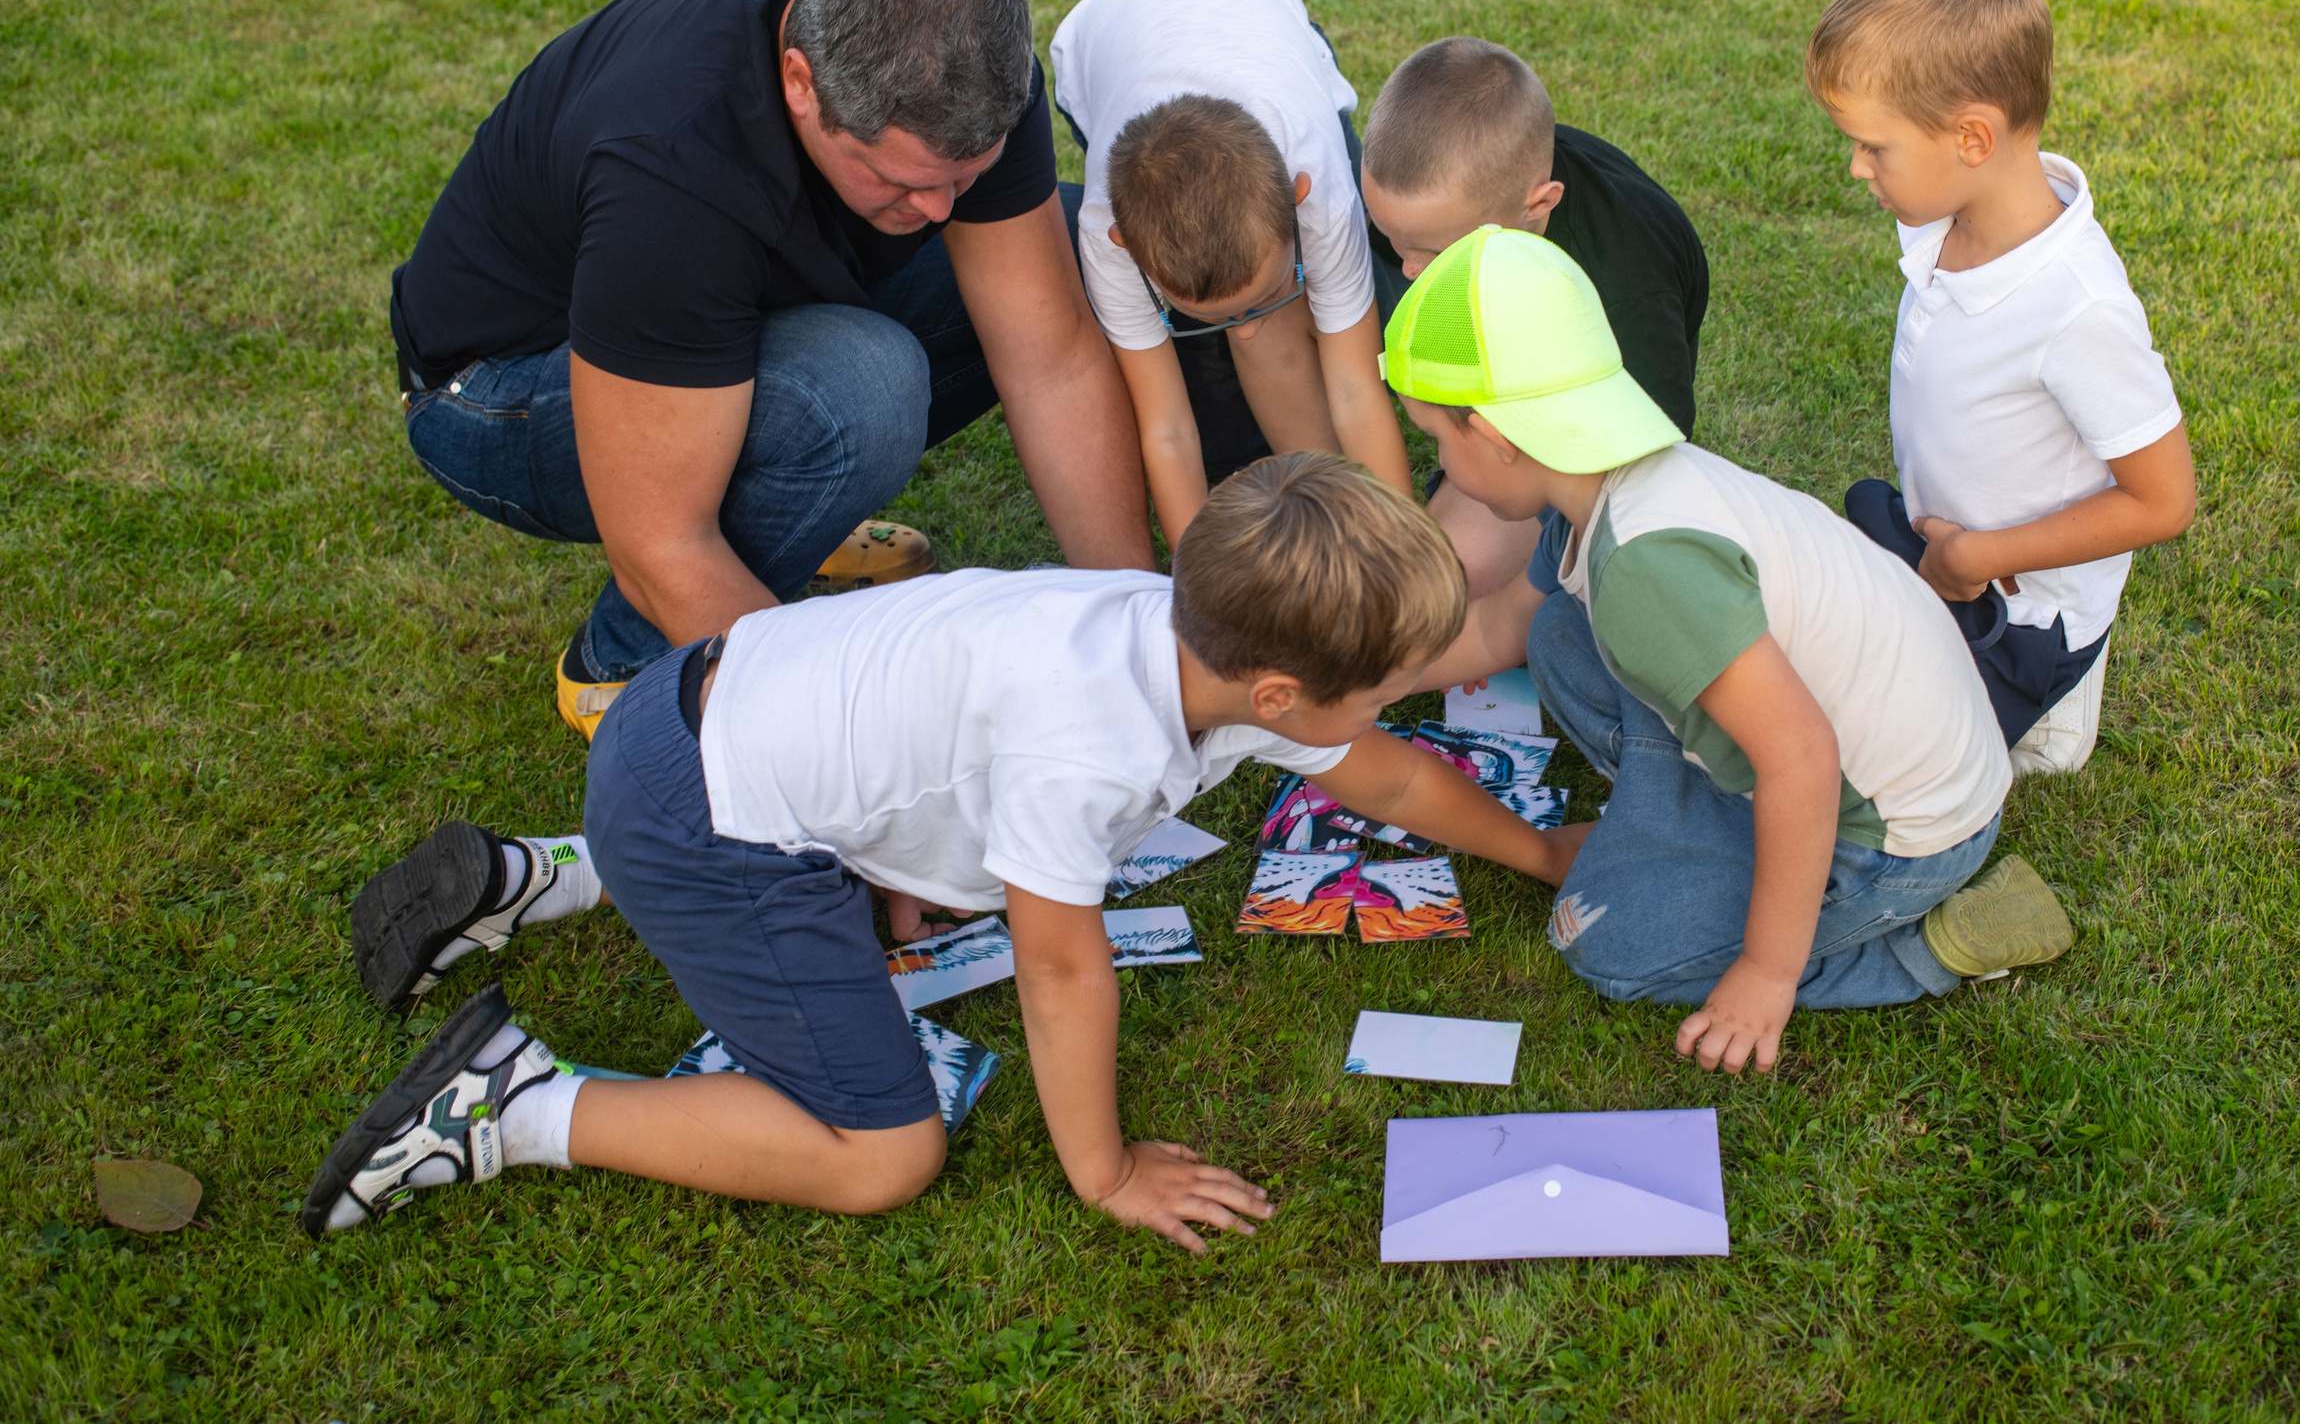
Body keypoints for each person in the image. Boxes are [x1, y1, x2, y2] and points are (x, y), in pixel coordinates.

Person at [306, 454, 1580, 1246]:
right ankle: (514, 1105)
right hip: (703, 817)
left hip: (697, 705)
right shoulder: (1089, 750)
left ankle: (551, 872)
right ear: (1283, 693)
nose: (1397, 707)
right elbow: (1060, 972)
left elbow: (1388, 771)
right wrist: (1106, 1169)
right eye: (1386, 686)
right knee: (883, 1154)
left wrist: (1537, 856)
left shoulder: (1174, 625)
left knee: (870, 883)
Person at [389, 0, 1152, 741]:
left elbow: (1052, 362)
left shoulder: (966, 58)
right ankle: (626, 665)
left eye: (964, 179)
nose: (939, 212)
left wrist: (1133, 631)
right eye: (902, 181)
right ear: (800, 82)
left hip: (705, 311)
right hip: (498, 389)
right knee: (859, 390)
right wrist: (872, 745)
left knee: (1072, 246)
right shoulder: (673, 161)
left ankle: (786, 519)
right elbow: (658, 542)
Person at [1397, 228, 2075, 1075]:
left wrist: (1765, 971)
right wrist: (1370, 681)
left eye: (1440, 442)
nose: (1443, 466)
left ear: (1496, 433)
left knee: (1605, 942)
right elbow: (1499, 630)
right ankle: (1687, 821)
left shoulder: (1648, 568)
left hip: (1895, 833)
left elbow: (1801, 756)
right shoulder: (1604, 471)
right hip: (1852, 736)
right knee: (1557, 637)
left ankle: (1928, 950)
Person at [1808, 0, 2194, 775]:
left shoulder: (2075, 307)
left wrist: (1980, 556)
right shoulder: (1947, 222)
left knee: (1852, 765)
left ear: (1972, 139)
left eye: (1874, 146)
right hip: (1945, 549)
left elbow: (2164, 500)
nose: (1854, 167)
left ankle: (2046, 717)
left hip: (2019, 612)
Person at [1049, 0, 1405, 543]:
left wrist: (1401, 552)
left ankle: (1344, 517)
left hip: (1259, 7)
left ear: (1297, 199)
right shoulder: (1104, 233)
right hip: (1099, 36)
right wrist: (1197, 592)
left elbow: (1355, 387)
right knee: (1218, 435)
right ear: (1127, 247)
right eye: (1211, 318)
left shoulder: (1321, 183)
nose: (1244, 332)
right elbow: (1167, 431)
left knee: (1347, 315)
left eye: (1261, 297)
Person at [1360, 37, 1711, 596]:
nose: (1407, 269)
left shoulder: (1623, 289)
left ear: (1539, 205)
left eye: (1433, 253)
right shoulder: (1442, 213)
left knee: (1441, 585)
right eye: (1389, 237)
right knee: (1405, 580)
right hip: (1497, 413)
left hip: (1577, 451)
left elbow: (1648, 481)